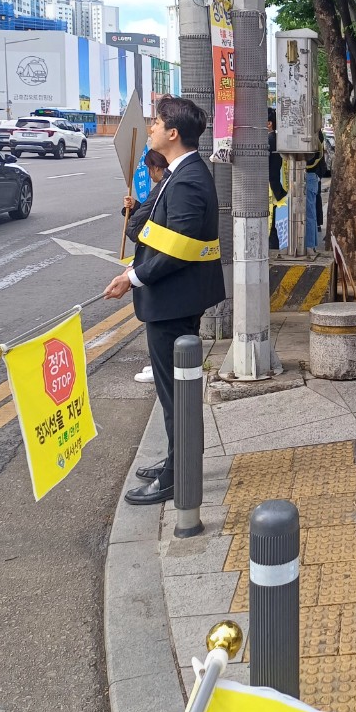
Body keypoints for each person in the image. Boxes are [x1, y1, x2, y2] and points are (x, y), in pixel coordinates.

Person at [103, 96, 225, 505]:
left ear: (173, 133)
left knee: (176, 394)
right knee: (174, 391)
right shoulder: (179, 173)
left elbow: (180, 249)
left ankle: (178, 474)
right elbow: (162, 233)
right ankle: (178, 459)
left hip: (174, 301)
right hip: (173, 298)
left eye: (156, 123)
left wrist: (132, 277)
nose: (151, 128)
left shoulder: (188, 178)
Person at [121, 148, 170, 384]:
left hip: (155, 261)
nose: (150, 174)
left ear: (156, 168)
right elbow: (151, 214)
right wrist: (135, 206)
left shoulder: (166, 186)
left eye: (150, 169)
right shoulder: (167, 185)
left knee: (159, 319)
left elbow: (138, 228)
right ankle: (160, 364)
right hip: (155, 259)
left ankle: (161, 367)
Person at [267, 108, 288, 250]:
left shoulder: (269, 141)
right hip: (276, 186)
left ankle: (273, 248)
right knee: (273, 221)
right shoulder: (276, 139)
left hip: (272, 187)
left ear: (269, 123)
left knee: (271, 222)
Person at [305, 131, 325, 258]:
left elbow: (312, 158)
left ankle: (310, 246)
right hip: (312, 176)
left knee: (309, 214)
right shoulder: (316, 135)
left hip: (310, 175)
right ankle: (311, 245)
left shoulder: (314, 136)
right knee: (311, 213)